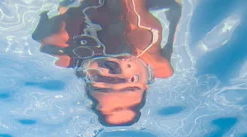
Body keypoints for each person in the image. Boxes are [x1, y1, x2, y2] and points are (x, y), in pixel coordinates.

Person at [32, 0, 182, 126]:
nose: (118, 69)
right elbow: (175, 11)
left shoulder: (62, 37)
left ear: (85, 76)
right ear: (148, 80)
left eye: (104, 80)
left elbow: (45, 14)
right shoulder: (161, 66)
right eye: (131, 83)